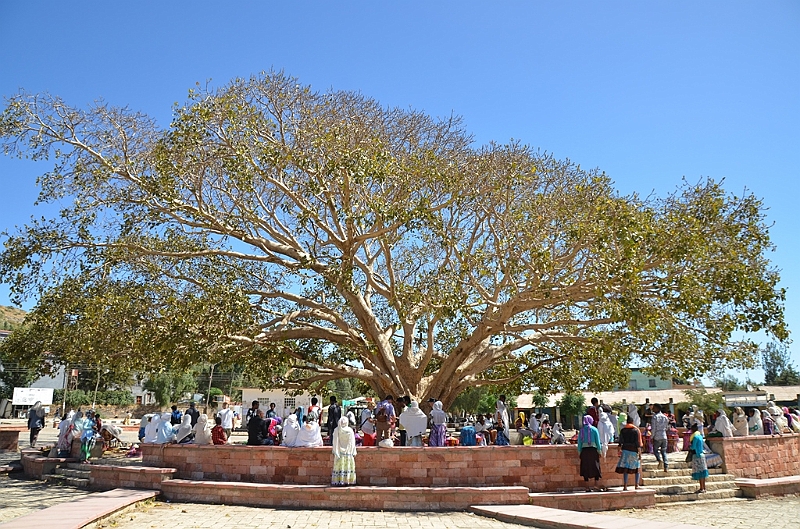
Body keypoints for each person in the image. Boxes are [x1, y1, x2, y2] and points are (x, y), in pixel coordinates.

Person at [615, 415, 642, 491]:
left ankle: (625, 486)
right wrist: (640, 453)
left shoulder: (623, 430)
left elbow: (620, 442)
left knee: (625, 468)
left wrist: (619, 451)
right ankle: (636, 485)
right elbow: (637, 443)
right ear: (632, 422)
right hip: (634, 450)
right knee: (636, 468)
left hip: (625, 450)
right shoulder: (635, 430)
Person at [576, 415, 602, 490]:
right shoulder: (594, 429)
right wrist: (599, 451)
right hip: (593, 451)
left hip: (584, 451)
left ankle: (587, 487)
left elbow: (579, 443)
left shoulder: (582, 431)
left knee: (585, 467)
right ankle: (596, 485)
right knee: (596, 467)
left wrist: (579, 452)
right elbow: (598, 441)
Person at [332, 417, 357, 486]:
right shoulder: (350, 430)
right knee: (348, 467)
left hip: (339, 452)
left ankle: (339, 480)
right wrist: (353, 451)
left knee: (339, 467)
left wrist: (335, 450)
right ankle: (348, 480)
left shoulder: (337, 430)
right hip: (348, 452)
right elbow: (352, 442)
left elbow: (334, 441)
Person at [688, 423, 708, 493]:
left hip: (697, 456)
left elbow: (693, 447)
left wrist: (689, 447)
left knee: (700, 473)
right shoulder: (700, 436)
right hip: (702, 454)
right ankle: (703, 487)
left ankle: (701, 488)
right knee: (703, 472)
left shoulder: (695, 437)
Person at [651, 403, 670, 471]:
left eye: (654, 408)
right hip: (664, 435)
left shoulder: (655, 417)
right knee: (664, 451)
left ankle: (659, 460)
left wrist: (652, 437)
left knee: (655, 450)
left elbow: (653, 428)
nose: (652, 409)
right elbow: (667, 427)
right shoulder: (665, 417)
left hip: (657, 436)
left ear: (657, 408)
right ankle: (666, 466)